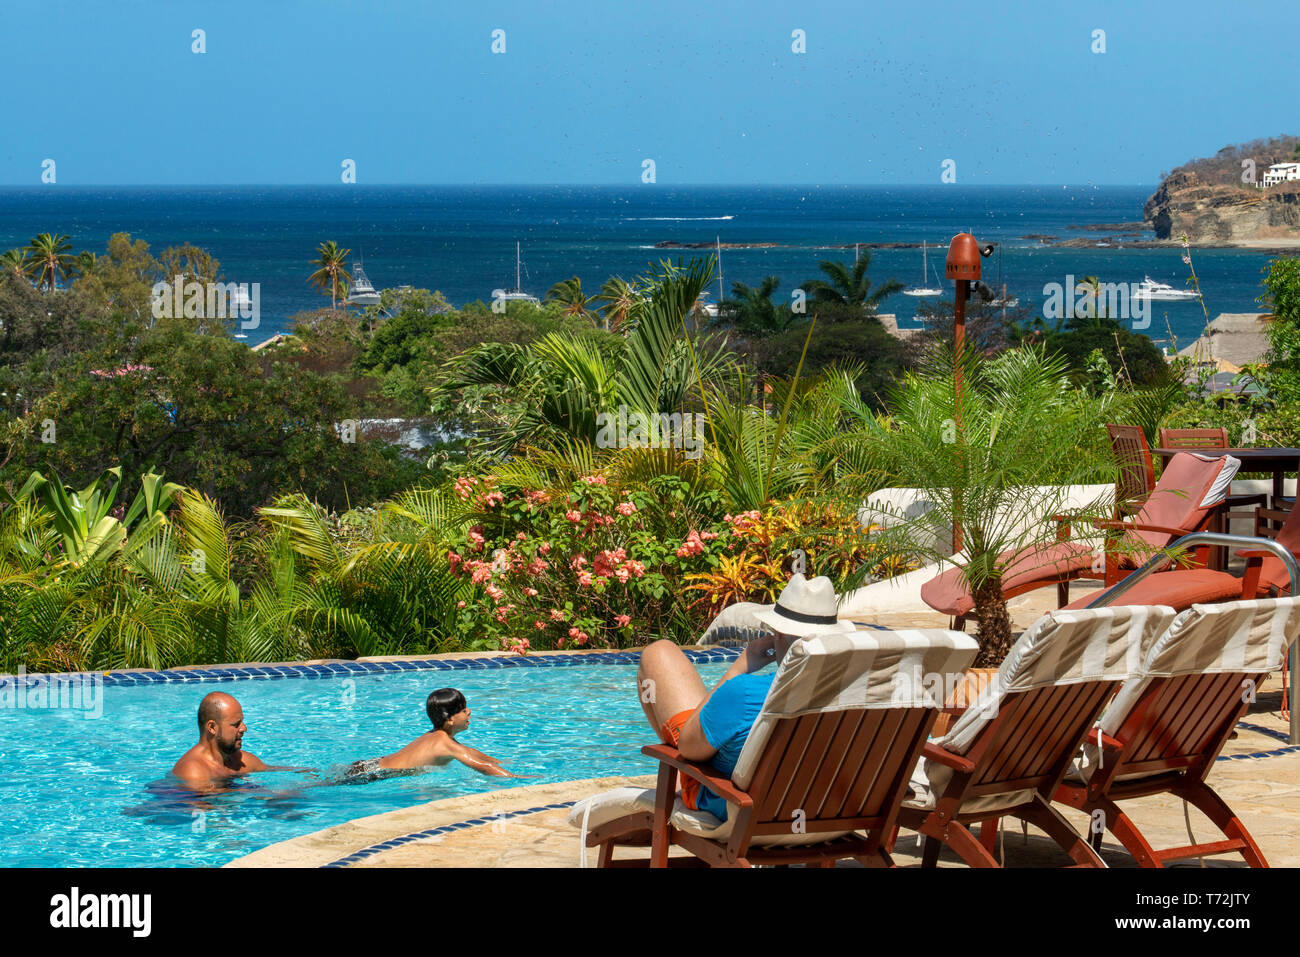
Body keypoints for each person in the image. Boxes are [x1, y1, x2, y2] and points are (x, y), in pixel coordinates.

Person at [636, 573, 854, 822]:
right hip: (825, 812)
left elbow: (687, 746)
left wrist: (738, 668)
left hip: (739, 809)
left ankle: (680, 782)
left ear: (777, 634)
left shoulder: (745, 692)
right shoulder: (855, 691)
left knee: (658, 653)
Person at [350, 688, 524, 779]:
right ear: (449, 719)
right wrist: (517, 778)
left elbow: (470, 753)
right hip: (374, 775)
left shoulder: (439, 735)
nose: (469, 712)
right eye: (463, 710)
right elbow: (484, 768)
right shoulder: (444, 743)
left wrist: (500, 761)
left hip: (369, 765)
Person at [171, 692, 285, 790]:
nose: (244, 728)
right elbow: (208, 809)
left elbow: (275, 770)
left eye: (242, 722)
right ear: (212, 727)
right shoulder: (193, 772)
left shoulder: (240, 760)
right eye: (236, 724)